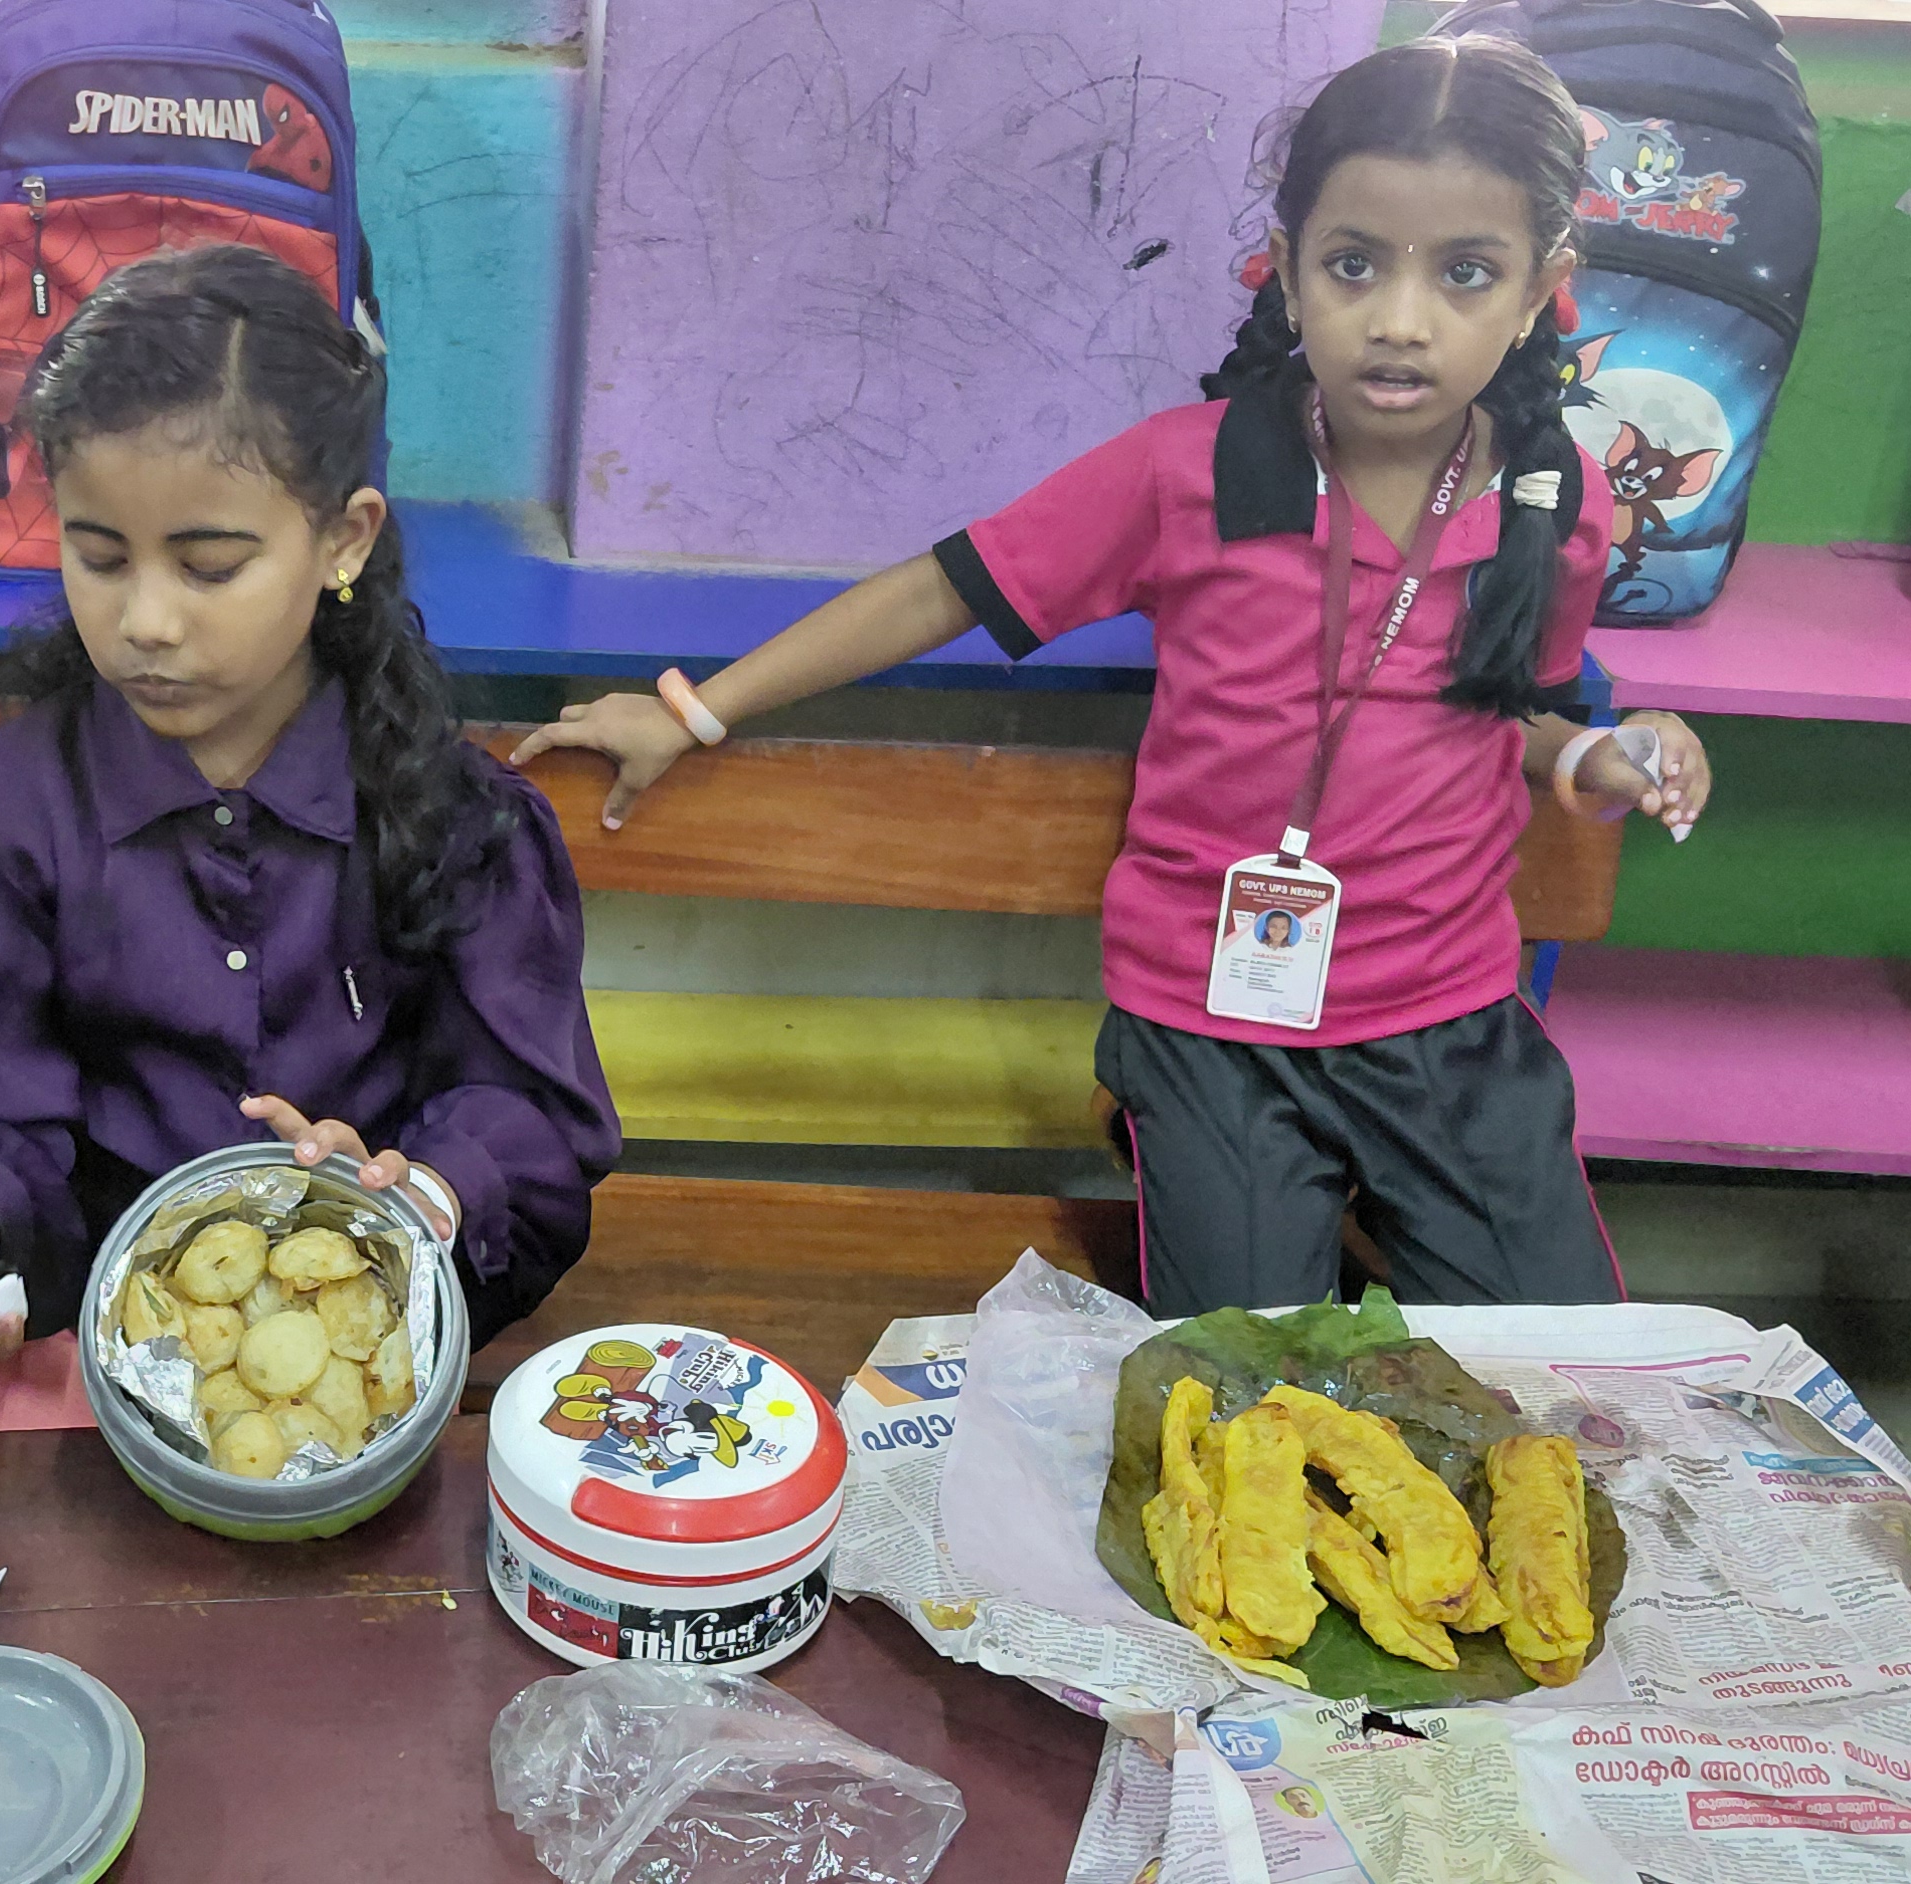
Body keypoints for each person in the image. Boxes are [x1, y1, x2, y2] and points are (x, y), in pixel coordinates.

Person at [515, 39, 1712, 1315]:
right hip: (1212, 1030)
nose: (1401, 319)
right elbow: (940, 590)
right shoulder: (1184, 471)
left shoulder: (1555, 501)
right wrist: (696, 711)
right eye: (1355, 263)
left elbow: (1503, 715)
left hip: (1447, 1020)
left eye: (1465, 273)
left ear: (1541, 291)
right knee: (1239, 1377)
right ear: (1288, 267)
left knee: (1565, 1366)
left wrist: (1597, 754)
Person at [0, 243, 619, 1419]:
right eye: (98, 557)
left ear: (344, 540)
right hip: (87, 1365)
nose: (145, 620)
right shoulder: (3, 820)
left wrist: (413, 1197)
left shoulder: (451, 818)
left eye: (209, 565)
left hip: (364, 1358)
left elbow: (525, 1122)